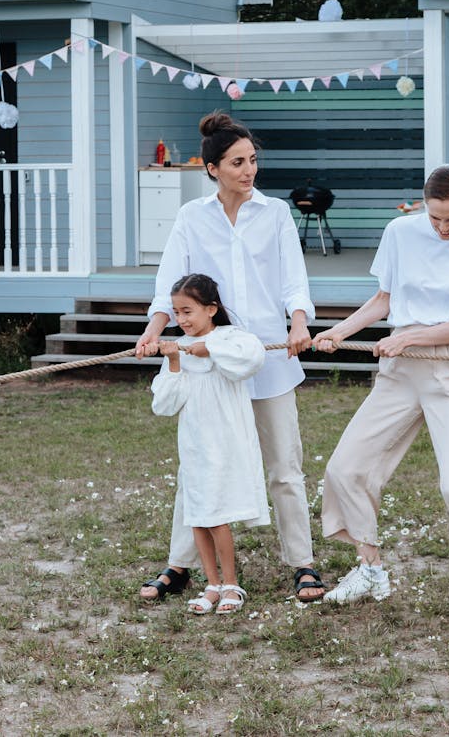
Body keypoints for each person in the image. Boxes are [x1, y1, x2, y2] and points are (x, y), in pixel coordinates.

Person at [137, 112, 325, 604]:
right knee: (197, 466)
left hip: (269, 357)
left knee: (285, 466)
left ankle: (302, 563)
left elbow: (294, 279)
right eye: (238, 162)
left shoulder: (276, 213)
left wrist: (299, 322)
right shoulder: (191, 217)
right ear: (214, 168)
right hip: (208, 364)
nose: (249, 170)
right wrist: (154, 330)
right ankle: (180, 565)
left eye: (253, 160)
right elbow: (168, 282)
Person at [312, 165, 449, 610]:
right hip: (400, 372)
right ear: (424, 203)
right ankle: (370, 569)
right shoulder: (400, 231)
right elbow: (384, 301)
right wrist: (339, 331)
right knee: (345, 467)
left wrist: (409, 336)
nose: (442, 228)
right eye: (435, 217)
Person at [150, 274, 268, 615]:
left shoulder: (231, 338)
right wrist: (174, 361)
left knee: (218, 516)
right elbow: (165, 405)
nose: (182, 319)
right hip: (195, 443)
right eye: (176, 313)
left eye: (188, 311)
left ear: (211, 309)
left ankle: (231, 583)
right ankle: (212, 584)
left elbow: (251, 359)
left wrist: (210, 348)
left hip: (225, 441)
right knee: (198, 515)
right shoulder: (178, 350)